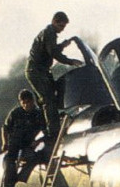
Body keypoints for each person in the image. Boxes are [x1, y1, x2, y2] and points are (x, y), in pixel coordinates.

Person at [25, 11, 83, 143]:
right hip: (37, 71)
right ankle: (54, 133)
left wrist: (62, 45)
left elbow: (51, 50)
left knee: (50, 98)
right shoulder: (49, 32)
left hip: (41, 71)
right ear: (55, 22)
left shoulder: (49, 33)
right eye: (61, 26)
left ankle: (51, 127)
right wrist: (71, 61)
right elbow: (53, 53)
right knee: (48, 100)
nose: (62, 30)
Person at [1, 89, 46, 187]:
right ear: (21, 102)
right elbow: (5, 128)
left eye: (28, 102)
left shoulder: (38, 114)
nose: (26, 105)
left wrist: (38, 141)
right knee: (9, 166)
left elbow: (45, 132)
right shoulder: (15, 113)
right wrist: (4, 143)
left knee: (34, 158)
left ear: (32, 101)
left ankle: (19, 177)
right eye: (23, 102)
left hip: (27, 145)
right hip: (14, 144)